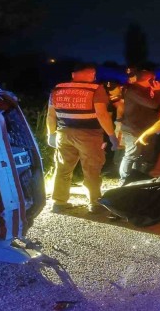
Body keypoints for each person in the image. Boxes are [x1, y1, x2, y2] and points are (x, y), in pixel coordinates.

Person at [46, 63, 119, 213]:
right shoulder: (95, 89)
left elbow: (51, 115)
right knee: (91, 169)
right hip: (89, 135)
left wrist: (51, 134)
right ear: (92, 75)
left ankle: (59, 202)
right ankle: (95, 203)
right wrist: (112, 136)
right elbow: (102, 114)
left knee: (62, 168)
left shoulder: (58, 88)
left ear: (73, 74)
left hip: (63, 133)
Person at [119, 70, 160, 183]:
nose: (156, 82)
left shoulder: (146, 90)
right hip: (133, 129)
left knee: (143, 156)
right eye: (154, 80)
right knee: (132, 155)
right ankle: (124, 179)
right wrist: (159, 92)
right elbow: (153, 104)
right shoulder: (134, 90)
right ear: (150, 80)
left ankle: (137, 177)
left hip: (146, 129)